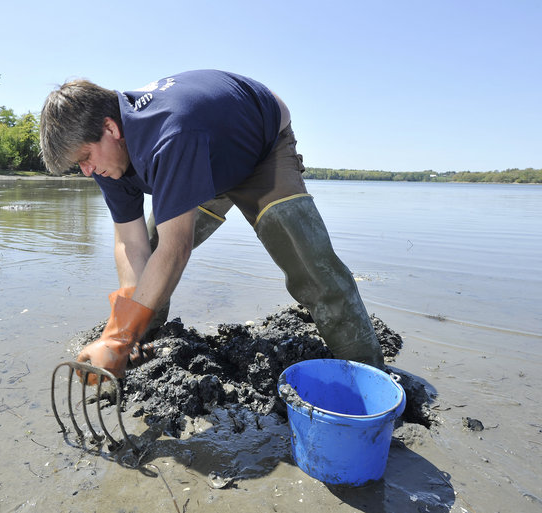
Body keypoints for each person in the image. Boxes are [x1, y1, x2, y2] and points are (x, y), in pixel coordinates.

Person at [39, 70, 384, 382]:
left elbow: (178, 248)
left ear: (111, 129)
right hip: (202, 159)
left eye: (84, 158)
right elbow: (131, 244)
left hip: (261, 146)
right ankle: (140, 344)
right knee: (153, 245)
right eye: (77, 165)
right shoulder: (107, 157)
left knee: (308, 259)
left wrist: (116, 336)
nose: (86, 171)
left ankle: (369, 377)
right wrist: (121, 332)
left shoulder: (168, 133)